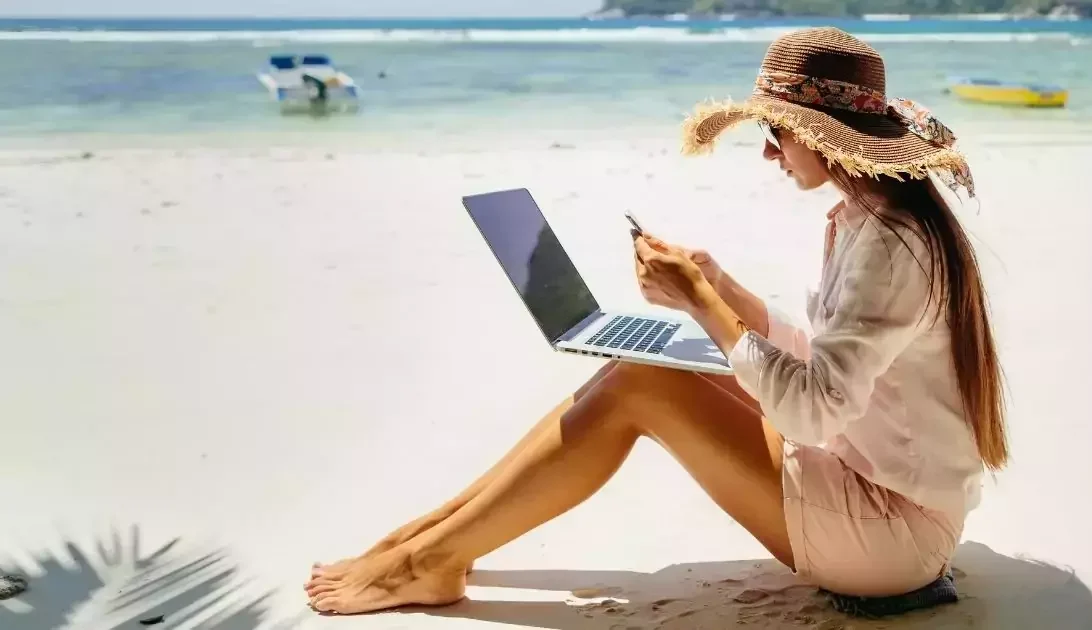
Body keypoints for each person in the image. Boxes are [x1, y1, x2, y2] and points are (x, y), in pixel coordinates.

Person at [304, 27, 1008, 616]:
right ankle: (424, 540)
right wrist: (722, 286)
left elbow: (815, 414)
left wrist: (703, 304)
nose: (768, 151)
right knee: (637, 371)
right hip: (877, 484)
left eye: (775, 131)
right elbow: (833, 365)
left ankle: (427, 560)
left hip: (891, 539)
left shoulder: (889, 243)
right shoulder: (872, 220)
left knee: (646, 385)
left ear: (820, 135)